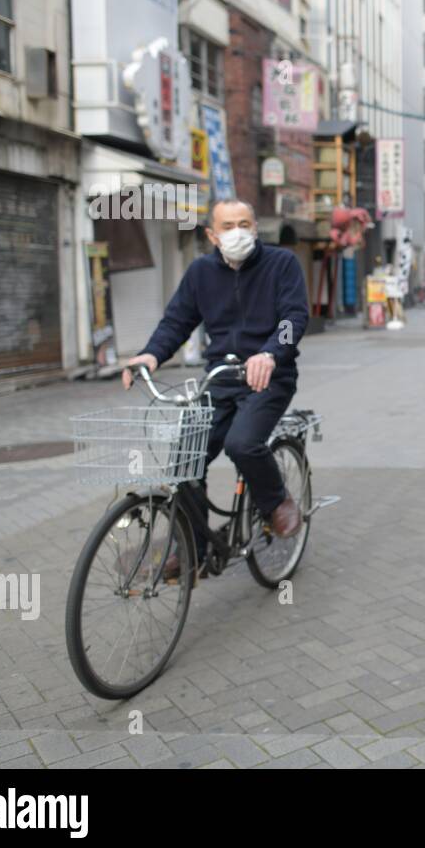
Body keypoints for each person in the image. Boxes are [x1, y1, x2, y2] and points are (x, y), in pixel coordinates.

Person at [123, 200, 309, 579]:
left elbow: (294, 317)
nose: (237, 231)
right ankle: (194, 549)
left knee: (241, 444)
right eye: (227, 225)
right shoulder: (200, 272)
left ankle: (277, 501)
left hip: (269, 379)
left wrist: (271, 353)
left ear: (256, 228)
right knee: (184, 463)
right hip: (219, 379)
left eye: (244, 223)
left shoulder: (281, 264)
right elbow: (177, 320)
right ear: (212, 234)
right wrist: (150, 356)